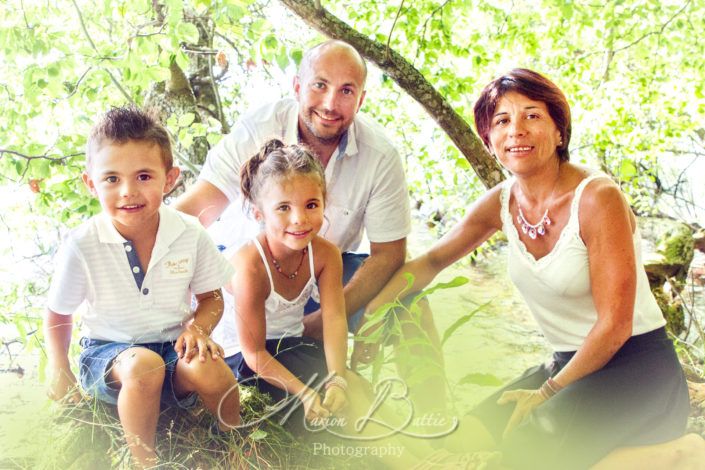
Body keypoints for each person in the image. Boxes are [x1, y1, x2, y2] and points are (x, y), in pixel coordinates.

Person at [353, 69, 705, 468]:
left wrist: (547, 393)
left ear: (559, 131)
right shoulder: (500, 204)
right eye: (502, 121)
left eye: (532, 115)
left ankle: (682, 454)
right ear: (489, 142)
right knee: (456, 441)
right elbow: (430, 261)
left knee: (521, 454)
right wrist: (373, 314)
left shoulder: (597, 198)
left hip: (637, 370)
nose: (516, 130)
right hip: (567, 363)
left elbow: (615, 326)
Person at [44, 107, 240, 468]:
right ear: (91, 183)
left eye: (144, 176)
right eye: (112, 179)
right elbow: (58, 313)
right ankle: (143, 462)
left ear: (170, 179)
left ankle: (240, 445)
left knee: (210, 367)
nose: (128, 191)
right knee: (143, 367)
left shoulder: (189, 231)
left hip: (172, 350)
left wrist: (198, 328)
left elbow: (211, 296)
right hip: (110, 357)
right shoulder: (83, 243)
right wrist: (59, 366)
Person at [174, 40, 410, 340]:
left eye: (346, 91)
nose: (330, 104)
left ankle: (431, 387)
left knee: (407, 300)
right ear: (297, 86)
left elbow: (389, 255)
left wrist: (321, 322)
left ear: (360, 100)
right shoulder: (258, 127)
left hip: (325, 275)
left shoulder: (380, 156)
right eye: (320, 85)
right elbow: (196, 210)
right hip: (247, 273)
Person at [226, 138, 349, 423]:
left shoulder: (326, 254)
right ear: (260, 213)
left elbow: (334, 320)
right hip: (246, 359)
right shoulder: (250, 266)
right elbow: (253, 351)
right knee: (321, 420)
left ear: (324, 203)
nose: (299, 219)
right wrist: (305, 393)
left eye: (311, 205)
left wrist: (337, 379)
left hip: (290, 345)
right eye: (283, 208)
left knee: (354, 391)